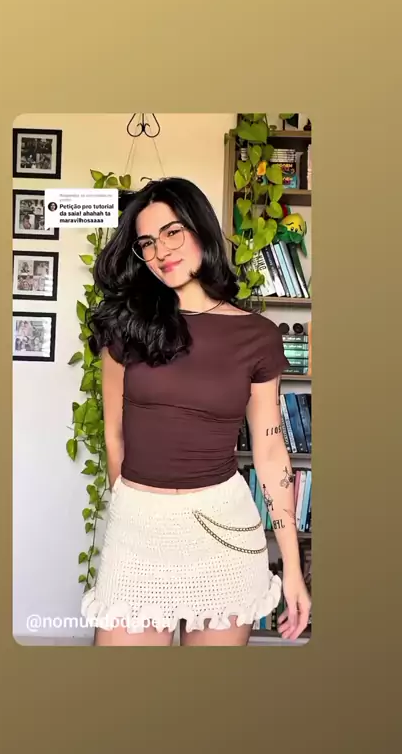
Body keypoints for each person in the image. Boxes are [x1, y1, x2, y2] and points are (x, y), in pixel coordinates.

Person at [82, 177, 311, 647]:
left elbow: (270, 452)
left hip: (224, 530)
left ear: (200, 228)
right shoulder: (125, 326)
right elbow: (114, 435)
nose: (160, 251)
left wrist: (291, 565)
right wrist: (131, 506)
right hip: (138, 530)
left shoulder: (257, 336)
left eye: (172, 232)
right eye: (147, 242)